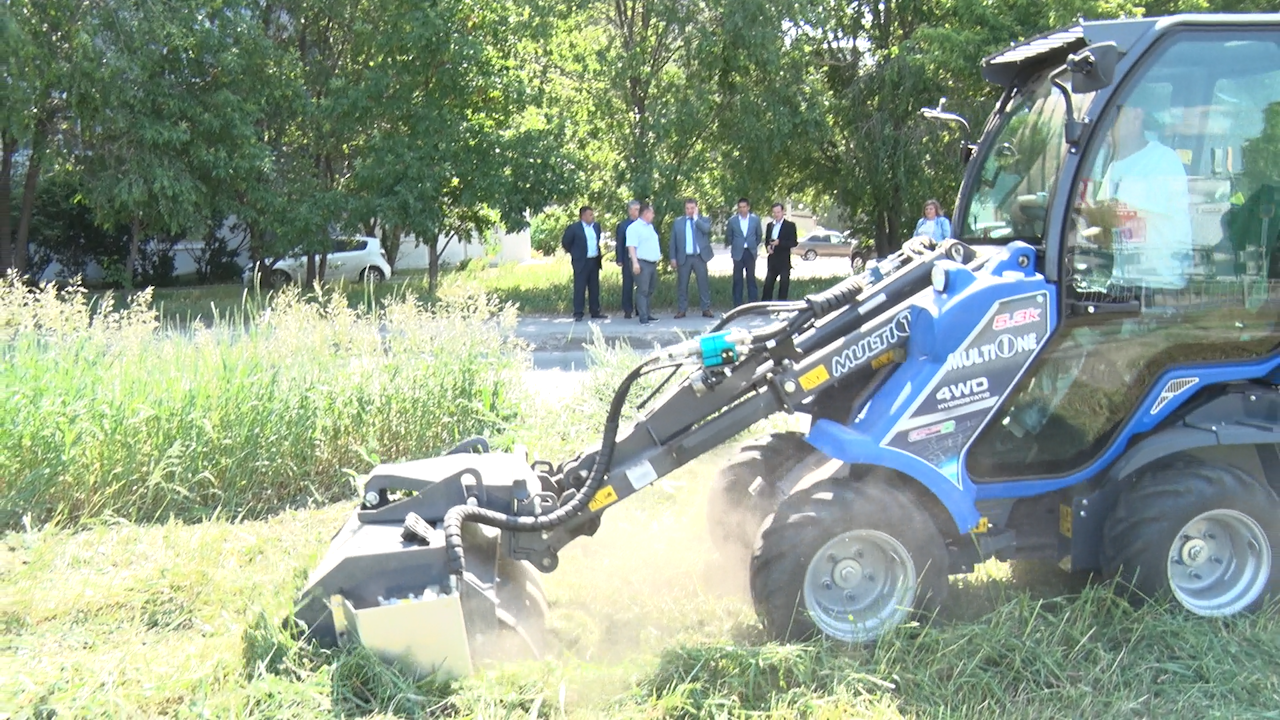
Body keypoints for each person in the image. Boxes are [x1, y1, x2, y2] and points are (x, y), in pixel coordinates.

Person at [1093, 102, 1193, 292]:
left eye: (1112, 114)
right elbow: (1106, 230)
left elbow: (1112, 214)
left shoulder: (1162, 161)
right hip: (1123, 283)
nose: (1104, 123)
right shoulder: (1115, 164)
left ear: (1136, 116)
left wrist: (1068, 210)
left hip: (1159, 289)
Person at [669, 198, 714, 318]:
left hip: (700, 257)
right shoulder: (678, 222)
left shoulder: (703, 220)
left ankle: (706, 308)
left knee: (703, 284)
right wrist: (673, 257)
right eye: (687, 208)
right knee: (682, 285)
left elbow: (707, 230)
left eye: (692, 208)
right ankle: (682, 309)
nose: (689, 211)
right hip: (684, 258)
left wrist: (695, 219)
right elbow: (672, 241)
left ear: (696, 208)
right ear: (684, 209)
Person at [560, 206, 607, 321]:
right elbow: (566, 242)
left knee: (594, 287)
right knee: (580, 287)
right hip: (581, 261)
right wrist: (575, 253)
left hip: (594, 260)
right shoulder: (574, 228)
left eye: (593, 214)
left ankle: (595, 311)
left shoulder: (596, 227)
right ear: (583, 216)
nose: (593, 217)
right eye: (590, 215)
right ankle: (578, 312)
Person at [626, 203, 662, 325]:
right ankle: (643, 317)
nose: (653, 215)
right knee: (643, 290)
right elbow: (631, 246)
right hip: (641, 262)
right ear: (646, 213)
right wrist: (635, 263)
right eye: (652, 213)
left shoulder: (649, 227)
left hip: (652, 263)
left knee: (650, 289)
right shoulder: (634, 228)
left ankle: (647, 313)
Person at [725, 197, 763, 307]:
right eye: (740, 207)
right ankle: (737, 304)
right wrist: (737, 244)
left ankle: (753, 303)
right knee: (737, 279)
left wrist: (753, 244)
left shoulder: (755, 220)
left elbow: (759, 235)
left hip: (750, 252)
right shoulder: (733, 221)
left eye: (744, 207)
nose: (742, 209)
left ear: (748, 207)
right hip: (737, 253)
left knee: (751, 278)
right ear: (738, 208)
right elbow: (729, 236)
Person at [762, 202, 798, 301]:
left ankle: (781, 305)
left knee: (784, 284)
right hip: (772, 259)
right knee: (768, 284)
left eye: (778, 212)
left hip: (784, 260)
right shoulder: (770, 225)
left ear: (783, 212)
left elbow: (793, 242)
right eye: (774, 212)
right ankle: (765, 305)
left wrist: (780, 242)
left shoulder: (790, 225)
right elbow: (767, 240)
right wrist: (768, 247)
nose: (776, 214)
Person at [615, 200, 641, 318]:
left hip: (641, 258)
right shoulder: (623, 225)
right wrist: (619, 259)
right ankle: (627, 310)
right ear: (630, 211)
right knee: (627, 284)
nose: (637, 212)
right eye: (635, 209)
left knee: (641, 284)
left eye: (639, 209)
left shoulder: (643, 224)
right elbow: (619, 243)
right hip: (627, 258)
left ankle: (640, 308)